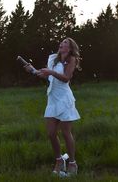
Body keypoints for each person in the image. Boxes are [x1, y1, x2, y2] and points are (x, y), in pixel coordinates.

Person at [23, 37, 81, 176]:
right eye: (61, 42)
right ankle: (59, 160)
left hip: (64, 99)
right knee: (51, 133)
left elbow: (66, 78)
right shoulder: (53, 58)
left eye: (65, 43)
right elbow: (46, 76)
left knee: (66, 133)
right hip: (52, 99)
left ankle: (72, 163)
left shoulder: (71, 59)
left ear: (71, 48)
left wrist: (51, 72)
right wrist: (33, 70)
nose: (62, 43)